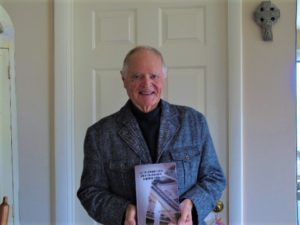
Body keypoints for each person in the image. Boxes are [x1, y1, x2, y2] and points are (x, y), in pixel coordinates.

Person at [77, 46, 226, 225]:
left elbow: (214, 177)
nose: (147, 84)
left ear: (164, 78)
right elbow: (90, 191)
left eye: (154, 76)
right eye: (137, 76)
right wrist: (124, 211)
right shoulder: (99, 134)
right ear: (124, 79)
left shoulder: (193, 122)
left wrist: (192, 205)